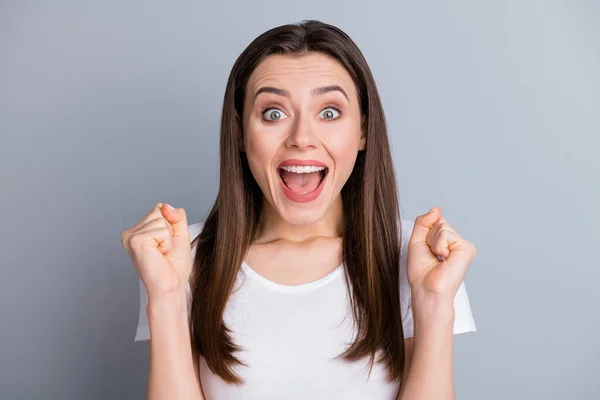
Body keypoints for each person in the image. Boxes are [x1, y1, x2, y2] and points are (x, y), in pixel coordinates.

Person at [121, 19, 477, 400]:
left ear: (362, 131)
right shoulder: (180, 257)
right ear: (240, 132)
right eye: (274, 113)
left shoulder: (415, 256)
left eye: (329, 112)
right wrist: (166, 298)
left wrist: (436, 305)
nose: (302, 139)